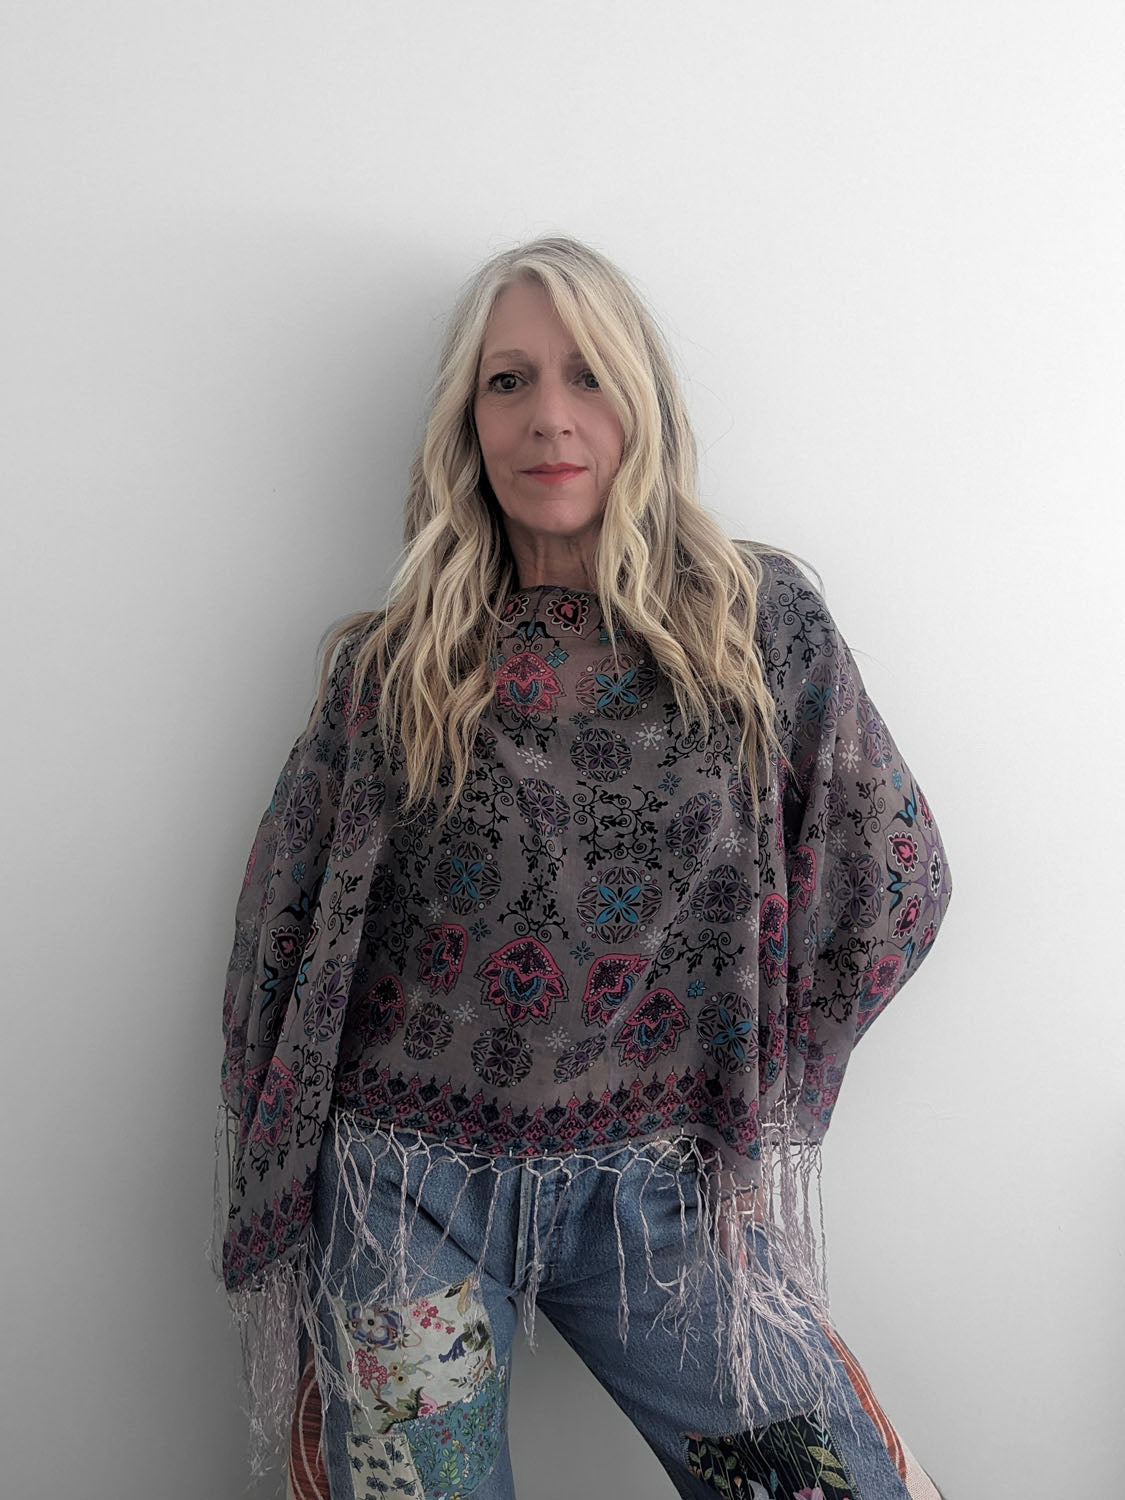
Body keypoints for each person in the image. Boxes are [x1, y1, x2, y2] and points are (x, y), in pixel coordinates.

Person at [213, 236, 953, 1500]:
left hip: (663, 1205)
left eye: (587, 376)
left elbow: (898, 881)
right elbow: (285, 930)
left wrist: (769, 1092)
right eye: (508, 382)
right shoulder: (396, 668)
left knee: (829, 1488)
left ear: (642, 408)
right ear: (467, 422)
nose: (549, 417)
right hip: (407, 1199)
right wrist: (282, 1170)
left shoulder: (755, 627)